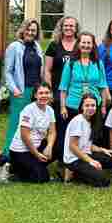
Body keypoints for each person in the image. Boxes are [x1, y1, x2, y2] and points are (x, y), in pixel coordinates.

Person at [63, 94, 112, 187]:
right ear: (82, 107)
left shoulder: (91, 120)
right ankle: (73, 172)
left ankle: (86, 171)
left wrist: (103, 150)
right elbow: (73, 146)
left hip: (85, 154)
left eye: (93, 105)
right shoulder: (78, 121)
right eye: (87, 105)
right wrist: (91, 161)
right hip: (75, 159)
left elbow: (87, 145)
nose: (90, 108)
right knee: (103, 181)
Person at [4, 19, 44, 152]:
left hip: (35, 92)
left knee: (31, 125)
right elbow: (8, 72)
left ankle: (24, 153)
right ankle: (7, 157)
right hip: (20, 92)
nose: (30, 32)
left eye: (33, 30)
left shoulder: (37, 47)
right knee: (16, 124)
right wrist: (14, 89)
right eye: (28, 29)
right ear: (22, 30)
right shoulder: (14, 46)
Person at [44, 16, 80, 161]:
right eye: (66, 25)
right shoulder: (54, 45)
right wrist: (49, 91)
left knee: (76, 125)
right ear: (61, 27)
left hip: (76, 93)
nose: (69, 28)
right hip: (59, 92)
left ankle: (74, 156)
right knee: (60, 125)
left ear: (76, 28)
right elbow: (47, 70)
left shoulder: (80, 45)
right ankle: (59, 157)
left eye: (72, 26)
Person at [9, 84, 57, 184]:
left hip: (36, 146)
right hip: (21, 150)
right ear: (35, 95)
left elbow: (52, 132)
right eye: (41, 93)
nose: (44, 96)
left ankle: (35, 166)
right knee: (42, 178)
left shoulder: (50, 110)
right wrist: (37, 154)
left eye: (47, 93)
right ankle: (15, 170)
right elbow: (24, 136)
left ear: (51, 95)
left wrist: (49, 146)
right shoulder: (28, 110)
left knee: (58, 146)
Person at [59, 31, 109, 119]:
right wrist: (63, 107)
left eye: (89, 43)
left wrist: (103, 106)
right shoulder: (70, 63)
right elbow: (63, 87)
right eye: (83, 42)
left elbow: (103, 86)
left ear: (93, 45)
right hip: (73, 106)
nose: (86, 45)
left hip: (94, 106)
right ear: (78, 44)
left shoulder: (98, 63)